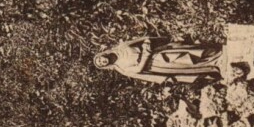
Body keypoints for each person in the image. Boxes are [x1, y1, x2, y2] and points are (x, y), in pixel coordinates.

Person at [94, 37, 222, 84]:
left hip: (159, 51)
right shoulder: (121, 68)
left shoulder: (120, 47)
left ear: (102, 54)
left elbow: (142, 39)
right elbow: (138, 70)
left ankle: (218, 52)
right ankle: (215, 64)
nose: (102, 61)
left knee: (189, 50)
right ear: (105, 66)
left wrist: (148, 42)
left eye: (99, 59)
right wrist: (146, 54)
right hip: (156, 64)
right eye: (101, 64)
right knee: (186, 62)